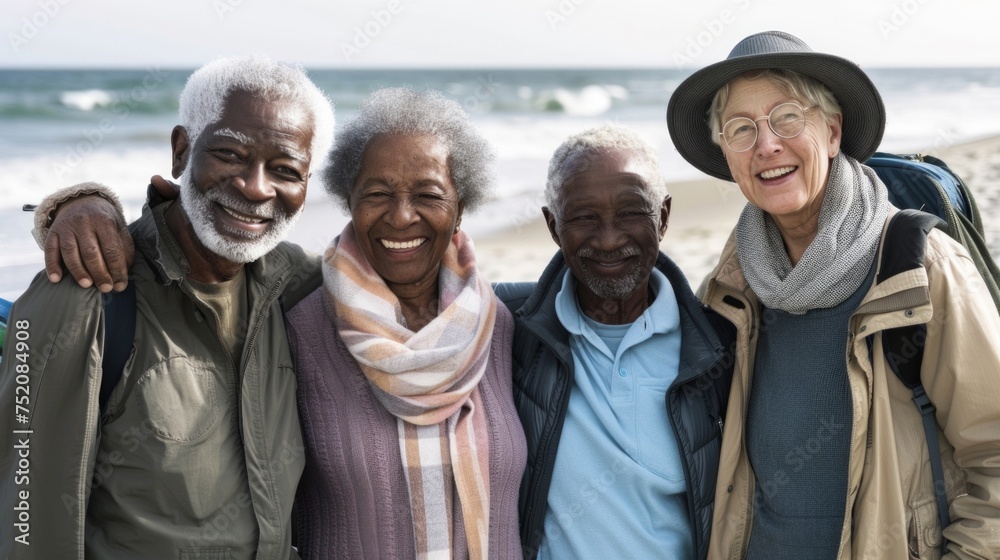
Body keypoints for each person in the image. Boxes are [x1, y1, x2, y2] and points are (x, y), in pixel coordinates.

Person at [666, 30, 1000, 559]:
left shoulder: (922, 267)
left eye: (787, 118)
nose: (767, 144)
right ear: (728, 157)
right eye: (741, 129)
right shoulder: (732, 286)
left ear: (832, 132)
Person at [0, 55, 334, 559]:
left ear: (306, 188)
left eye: (285, 169)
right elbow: (23, 517)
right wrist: (76, 204)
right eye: (229, 154)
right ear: (181, 151)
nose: (256, 187)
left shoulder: (299, 289)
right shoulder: (83, 296)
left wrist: (75, 200)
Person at [285, 87, 526, 559]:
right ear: (348, 199)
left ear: (461, 208)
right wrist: (97, 202)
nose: (400, 216)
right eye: (377, 194)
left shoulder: (503, 326)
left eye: (428, 195)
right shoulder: (298, 328)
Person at [494, 124, 735, 559]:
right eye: (584, 217)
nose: (608, 239)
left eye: (630, 213)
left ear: (663, 217)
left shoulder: (718, 346)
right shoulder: (509, 325)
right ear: (552, 225)